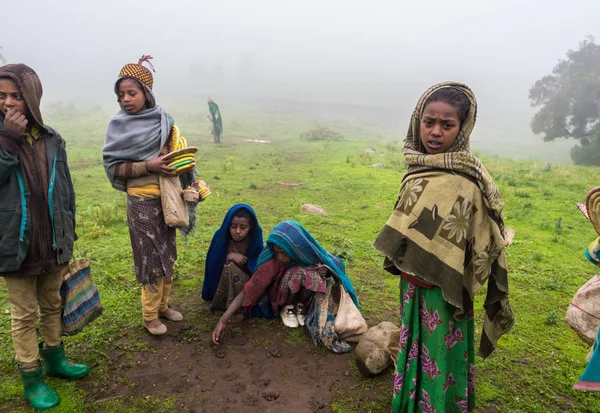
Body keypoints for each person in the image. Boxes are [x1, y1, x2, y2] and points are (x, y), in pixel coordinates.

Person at [373, 82, 514, 412]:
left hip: (446, 289)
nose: (435, 132)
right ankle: (410, 401)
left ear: (462, 128)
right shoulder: (416, 167)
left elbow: (480, 235)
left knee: (441, 352)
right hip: (412, 283)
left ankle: (442, 405)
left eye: (447, 125)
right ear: (417, 120)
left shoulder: (468, 178)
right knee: (413, 344)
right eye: (428, 122)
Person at [0, 63, 88, 410]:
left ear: (32, 98)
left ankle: (55, 358)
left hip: (51, 240)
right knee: (23, 314)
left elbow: (65, 189)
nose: (8, 103)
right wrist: (8, 139)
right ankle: (31, 376)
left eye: (17, 96)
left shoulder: (51, 138)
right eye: (1, 96)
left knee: (52, 303)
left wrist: (68, 229)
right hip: (13, 243)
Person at [103, 55, 195, 336]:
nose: (126, 99)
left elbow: (179, 152)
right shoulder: (118, 126)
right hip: (140, 202)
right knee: (149, 257)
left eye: (132, 93)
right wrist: (148, 165)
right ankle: (149, 315)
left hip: (169, 199)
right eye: (121, 95)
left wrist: (192, 181)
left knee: (168, 253)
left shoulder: (164, 120)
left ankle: (164, 305)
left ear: (147, 93)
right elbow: (113, 167)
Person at [212, 220, 360, 352]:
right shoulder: (270, 264)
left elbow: (334, 262)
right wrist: (222, 321)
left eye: (284, 253)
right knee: (300, 274)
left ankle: (300, 307)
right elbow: (248, 290)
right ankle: (287, 308)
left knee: (312, 274)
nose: (281, 257)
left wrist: (325, 270)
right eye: (277, 253)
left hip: (304, 296)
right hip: (281, 296)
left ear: (295, 249)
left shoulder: (304, 253)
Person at [202, 204, 263, 322]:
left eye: (243, 227)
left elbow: (258, 264)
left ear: (251, 227)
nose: (238, 231)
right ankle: (227, 305)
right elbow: (212, 262)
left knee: (232, 268)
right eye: (233, 226)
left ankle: (241, 308)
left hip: (246, 282)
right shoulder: (221, 236)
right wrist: (229, 256)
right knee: (229, 266)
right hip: (224, 280)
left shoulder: (254, 238)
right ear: (228, 225)